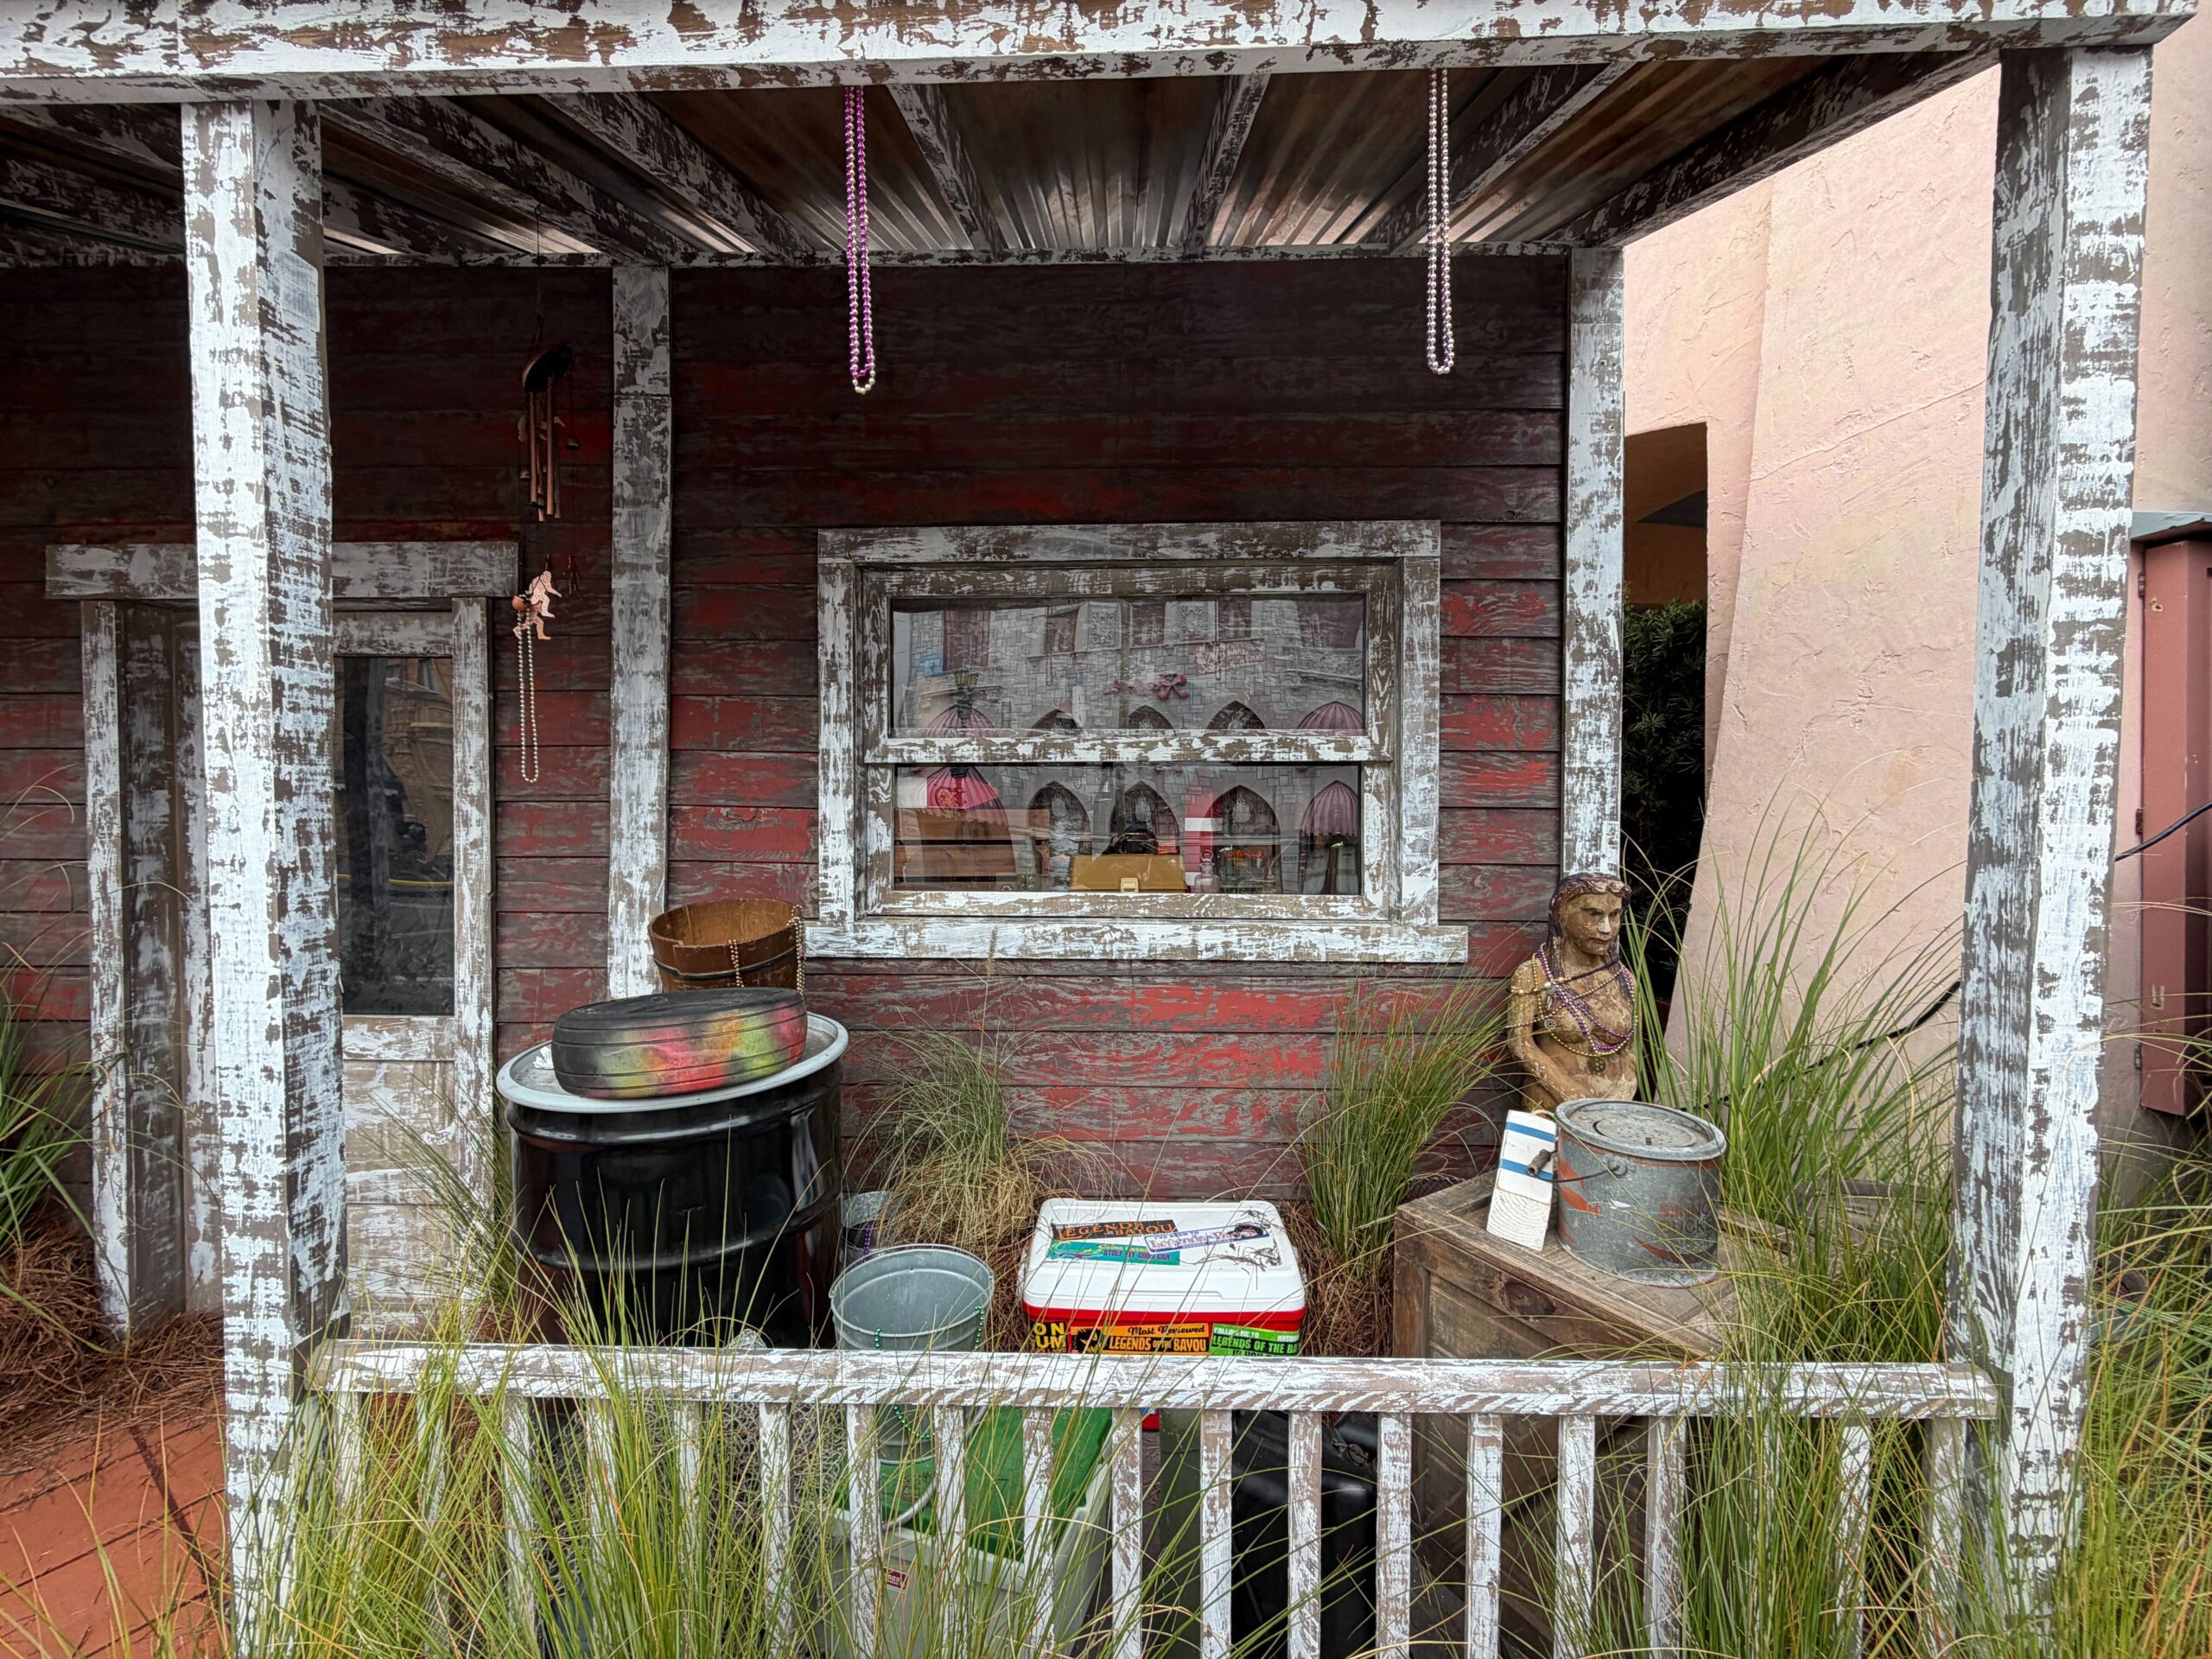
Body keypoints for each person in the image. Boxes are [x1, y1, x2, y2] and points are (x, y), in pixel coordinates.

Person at [1506, 872, 1639, 1112]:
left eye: (1615, 915)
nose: (1606, 928)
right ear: (1562, 913)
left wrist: (1619, 1100)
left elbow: (1631, 1053)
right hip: (1550, 1105)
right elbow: (1521, 1045)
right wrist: (1574, 1097)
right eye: (1593, 914)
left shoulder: (1624, 980)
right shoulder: (1535, 974)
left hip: (1609, 1112)